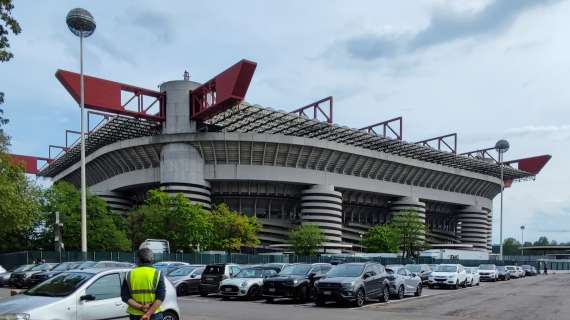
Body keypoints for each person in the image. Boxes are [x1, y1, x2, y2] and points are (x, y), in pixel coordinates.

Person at [121, 248, 165, 320]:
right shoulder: (157, 274)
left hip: (135, 315)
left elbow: (125, 297)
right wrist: (148, 313)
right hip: (154, 315)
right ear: (151, 259)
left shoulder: (129, 274)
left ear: (138, 259)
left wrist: (141, 307)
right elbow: (161, 297)